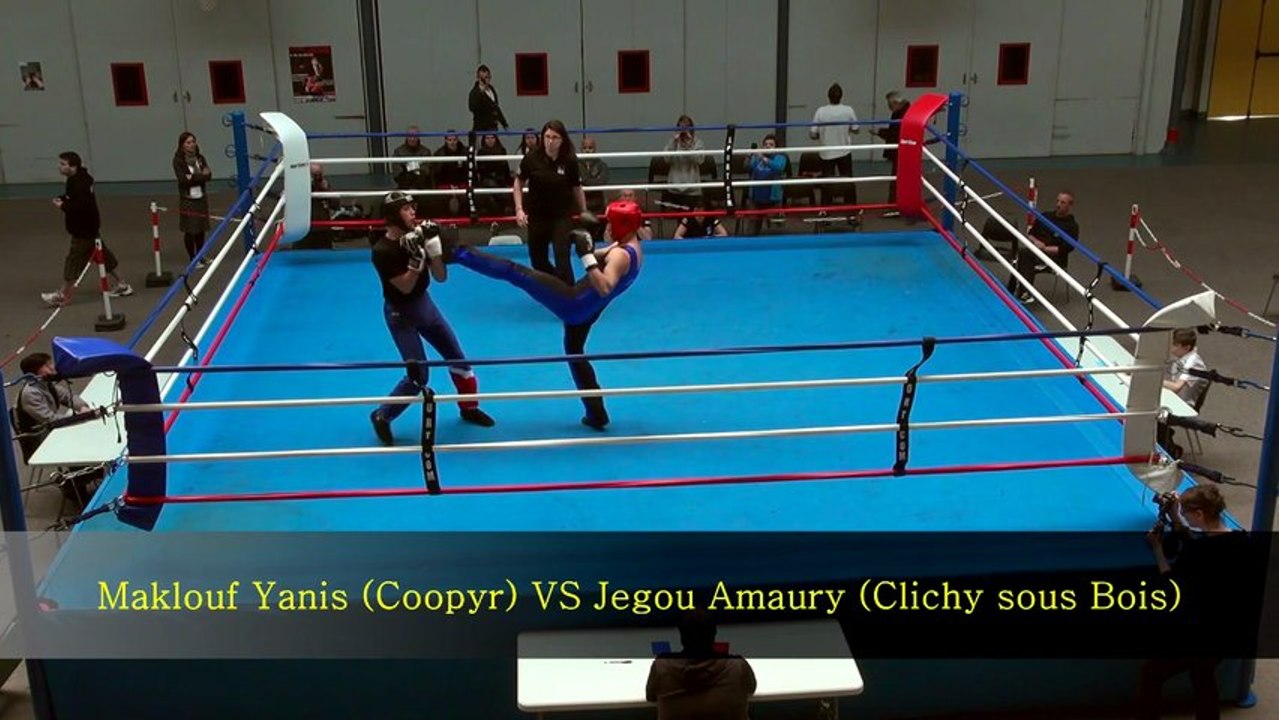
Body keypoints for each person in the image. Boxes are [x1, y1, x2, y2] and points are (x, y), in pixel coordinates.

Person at [452, 200, 644, 430]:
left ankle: (456, 251)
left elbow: (605, 286)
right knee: (574, 352)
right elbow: (600, 258)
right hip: (589, 308)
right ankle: (596, 412)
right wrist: (588, 246)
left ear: (622, 225)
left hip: (574, 302)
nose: (608, 227)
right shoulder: (631, 246)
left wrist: (586, 256)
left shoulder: (621, 255)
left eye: (611, 222)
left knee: (516, 272)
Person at [368, 192, 495, 445]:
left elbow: (440, 277)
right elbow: (403, 287)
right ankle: (382, 415)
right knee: (418, 376)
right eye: (406, 209)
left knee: (458, 358)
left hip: (424, 305)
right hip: (399, 313)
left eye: (412, 208)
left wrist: (434, 251)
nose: (413, 213)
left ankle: (469, 408)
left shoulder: (417, 236)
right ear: (394, 216)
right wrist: (416, 262)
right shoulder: (382, 251)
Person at [1137, 485, 1252, 720]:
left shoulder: (1198, 554)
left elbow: (1172, 583)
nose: (1186, 517)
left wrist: (1157, 549)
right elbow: (1199, 543)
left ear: (1199, 514)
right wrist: (1176, 517)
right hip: (1225, 630)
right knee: (1203, 677)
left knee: (1152, 673)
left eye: (1186, 512)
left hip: (1198, 633)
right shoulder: (1240, 539)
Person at [41, 151, 133, 307]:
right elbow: (73, 197)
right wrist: (63, 198)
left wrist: (62, 205)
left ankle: (62, 294)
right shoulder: (77, 180)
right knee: (102, 254)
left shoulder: (79, 184)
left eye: (63, 164)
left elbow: (80, 206)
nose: (60, 167)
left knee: (73, 260)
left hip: (83, 230)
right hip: (90, 227)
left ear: (73, 166)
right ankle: (122, 284)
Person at [15, 352, 100, 505]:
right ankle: (72, 488)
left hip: (52, 431)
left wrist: (83, 407)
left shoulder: (47, 384)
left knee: (88, 443)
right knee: (81, 451)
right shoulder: (30, 394)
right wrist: (80, 417)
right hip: (40, 439)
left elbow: (68, 396)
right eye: (47, 366)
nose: (52, 368)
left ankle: (88, 474)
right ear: (35, 373)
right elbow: (51, 420)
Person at [514, 120, 591, 286]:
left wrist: (584, 210)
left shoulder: (569, 160)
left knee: (562, 255)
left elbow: (577, 187)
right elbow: (518, 183)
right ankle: (556, 284)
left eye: (555, 137)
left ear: (562, 140)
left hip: (561, 215)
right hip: (537, 215)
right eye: (547, 136)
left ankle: (570, 292)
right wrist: (519, 209)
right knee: (537, 261)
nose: (550, 141)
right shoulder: (532, 157)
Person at [645, 610, 757, 720]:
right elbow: (751, 688)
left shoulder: (661, 667)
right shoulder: (738, 666)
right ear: (714, 634)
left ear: (682, 636)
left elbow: (651, 696)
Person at [1006, 191, 1079, 304]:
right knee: (1024, 255)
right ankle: (1022, 292)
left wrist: (1044, 249)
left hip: (1054, 258)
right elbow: (1030, 234)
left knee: (1024, 255)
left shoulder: (1072, 226)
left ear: (1070, 205)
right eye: (1058, 201)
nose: (1058, 204)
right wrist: (1037, 242)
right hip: (1035, 252)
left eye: (1063, 202)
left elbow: (1065, 249)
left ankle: (1022, 291)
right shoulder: (1045, 216)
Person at [1157, 328, 1208, 459]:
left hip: (1184, 405)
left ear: (1186, 347)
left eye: (1175, 345)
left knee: (1150, 414)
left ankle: (1171, 450)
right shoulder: (1182, 356)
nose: (1172, 348)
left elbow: (1176, 387)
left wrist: (1153, 379)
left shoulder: (1192, 363)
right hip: (1174, 398)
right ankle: (1165, 436)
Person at [809, 83, 861, 208]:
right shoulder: (848, 110)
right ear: (841, 96)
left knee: (827, 182)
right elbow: (856, 129)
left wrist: (823, 135)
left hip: (827, 152)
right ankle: (851, 209)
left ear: (828, 96)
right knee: (848, 180)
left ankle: (826, 210)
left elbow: (812, 133)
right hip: (844, 151)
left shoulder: (821, 111)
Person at [173, 132, 213, 267]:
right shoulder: (178, 161)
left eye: (193, 142)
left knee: (200, 229)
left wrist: (194, 177)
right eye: (188, 143)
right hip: (188, 199)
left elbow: (209, 175)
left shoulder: (200, 158)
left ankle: (201, 256)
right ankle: (192, 258)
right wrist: (200, 176)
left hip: (201, 197)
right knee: (190, 230)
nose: (191, 145)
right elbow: (183, 180)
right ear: (182, 145)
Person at [744, 135, 786, 235]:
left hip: (773, 200)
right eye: (765, 144)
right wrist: (749, 155)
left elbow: (778, 168)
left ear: (776, 148)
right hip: (756, 198)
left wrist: (763, 158)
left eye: (771, 145)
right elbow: (747, 167)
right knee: (752, 230)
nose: (767, 146)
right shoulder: (757, 158)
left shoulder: (780, 157)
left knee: (775, 230)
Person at [877, 91, 910, 215]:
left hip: (900, 150)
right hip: (904, 149)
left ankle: (894, 207)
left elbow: (896, 134)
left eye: (890, 105)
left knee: (897, 180)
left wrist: (880, 132)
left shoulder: (901, 115)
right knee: (900, 179)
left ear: (896, 103)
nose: (889, 108)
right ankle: (897, 205)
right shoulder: (905, 112)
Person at [468, 64, 509, 136]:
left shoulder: (492, 90)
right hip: (481, 129)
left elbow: (496, 107)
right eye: (483, 78)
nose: (486, 80)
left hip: (493, 128)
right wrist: (481, 92)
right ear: (478, 78)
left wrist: (504, 124)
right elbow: (472, 107)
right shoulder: (474, 92)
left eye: (487, 77)